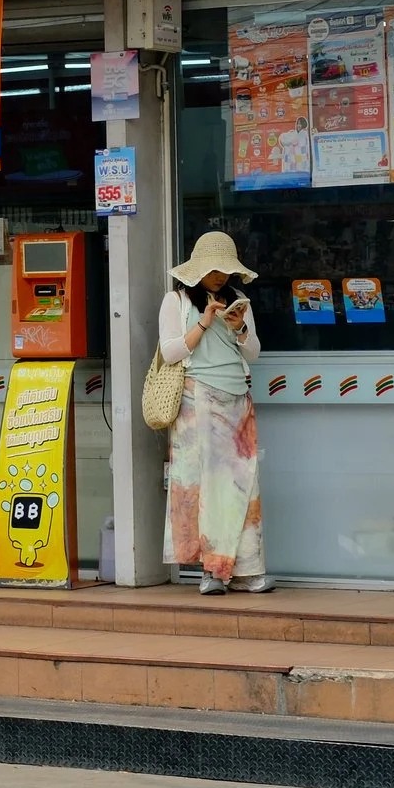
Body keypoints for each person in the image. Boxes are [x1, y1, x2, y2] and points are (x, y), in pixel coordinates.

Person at [159, 230, 270, 595]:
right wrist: (205, 321)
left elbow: (253, 352)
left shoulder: (238, 300)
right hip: (197, 401)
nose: (221, 276)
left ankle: (248, 569)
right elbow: (172, 352)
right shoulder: (175, 301)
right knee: (208, 486)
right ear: (197, 271)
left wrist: (239, 329)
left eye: (226, 269)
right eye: (214, 269)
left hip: (238, 399)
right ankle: (212, 570)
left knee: (243, 485)